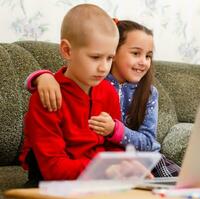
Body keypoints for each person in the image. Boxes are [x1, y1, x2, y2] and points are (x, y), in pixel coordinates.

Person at [25, 20, 180, 177]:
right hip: (91, 168)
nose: (103, 67)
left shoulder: (144, 92)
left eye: (148, 56)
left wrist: (116, 131)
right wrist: (42, 77)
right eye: (135, 53)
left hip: (136, 157)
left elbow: (147, 143)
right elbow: (66, 79)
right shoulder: (95, 81)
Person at [19, 4, 124, 186]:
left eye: (110, 58)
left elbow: (114, 146)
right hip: (51, 183)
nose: (104, 67)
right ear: (67, 51)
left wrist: (123, 167)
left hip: (96, 178)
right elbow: (53, 169)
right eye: (95, 57)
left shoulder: (108, 92)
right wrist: (103, 170)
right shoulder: (47, 96)